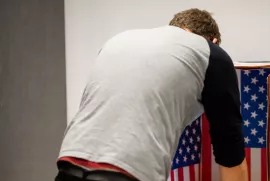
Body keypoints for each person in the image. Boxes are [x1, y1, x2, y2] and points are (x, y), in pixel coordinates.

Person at [55, 8, 248, 181]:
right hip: (129, 170)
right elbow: (230, 152)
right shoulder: (210, 52)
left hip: (70, 160)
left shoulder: (121, 39)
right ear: (212, 41)